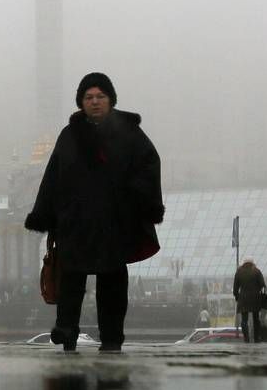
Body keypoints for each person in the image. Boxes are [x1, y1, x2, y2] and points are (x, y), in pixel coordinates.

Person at [23, 72, 163, 353]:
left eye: (100, 96)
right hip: (76, 222)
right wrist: (48, 215)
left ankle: (111, 337)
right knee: (71, 279)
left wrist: (131, 196)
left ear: (110, 100)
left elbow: (150, 164)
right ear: (81, 102)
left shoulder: (129, 132)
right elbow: (53, 176)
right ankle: (66, 331)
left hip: (113, 221)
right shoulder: (69, 135)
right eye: (89, 97)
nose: (95, 102)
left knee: (112, 282)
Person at [232, 259, 267, 343]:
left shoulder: (239, 272)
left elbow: (235, 288)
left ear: (243, 263)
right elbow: (263, 285)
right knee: (256, 319)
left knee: (244, 320)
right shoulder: (256, 271)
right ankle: (256, 338)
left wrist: (237, 297)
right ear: (252, 263)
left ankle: (246, 338)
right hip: (255, 298)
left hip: (243, 299)